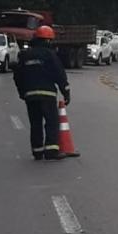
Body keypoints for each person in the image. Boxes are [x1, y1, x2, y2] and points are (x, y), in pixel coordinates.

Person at [13, 25, 70, 160]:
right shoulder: (50, 55)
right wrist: (66, 92)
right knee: (51, 122)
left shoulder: (25, 55)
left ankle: (37, 151)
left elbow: (18, 76)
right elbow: (59, 74)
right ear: (49, 40)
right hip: (47, 94)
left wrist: (22, 92)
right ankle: (51, 151)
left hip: (30, 96)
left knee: (35, 123)